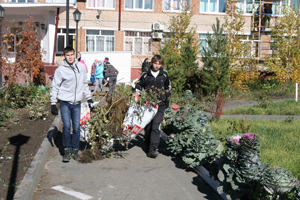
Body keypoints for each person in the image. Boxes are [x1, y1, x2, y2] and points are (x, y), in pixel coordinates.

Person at [50, 46, 93, 162]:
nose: (70, 57)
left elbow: (84, 84)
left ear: (75, 55)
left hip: (77, 103)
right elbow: (55, 87)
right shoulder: (60, 70)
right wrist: (53, 103)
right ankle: (66, 150)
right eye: (67, 55)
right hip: (64, 102)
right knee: (67, 126)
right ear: (64, 56)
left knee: (77, 127)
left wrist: (89, 99)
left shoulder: (81, 67)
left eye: (72, 54)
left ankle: (75, 149)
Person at [134, 54, 171, 158]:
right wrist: (137, 94)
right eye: (155, 63)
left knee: (156, 125)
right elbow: (139, 85)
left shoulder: (164, 74)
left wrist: (167, 96)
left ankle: (153, 149)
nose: (157, 66)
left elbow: (168, 86)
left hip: (160, 104)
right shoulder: (146, 74)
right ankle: (148, 143)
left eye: (159, 64)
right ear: (152, 63)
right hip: (148, 104)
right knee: (149, 126)